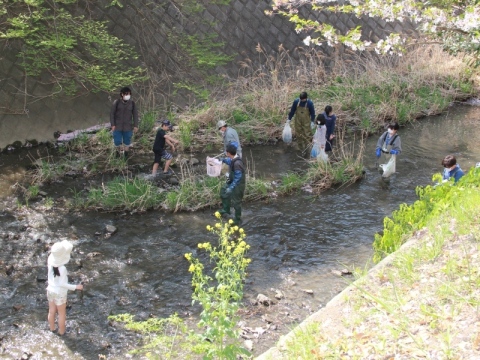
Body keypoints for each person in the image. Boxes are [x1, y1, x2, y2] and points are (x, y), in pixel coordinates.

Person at [47, 240, 83, 336]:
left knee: (51, 311)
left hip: (50, 290)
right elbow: (62, 284)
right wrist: (76, 287)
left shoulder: (50, 263)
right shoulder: (62, 269)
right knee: (61, 313)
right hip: (59, 293)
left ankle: (52, 328)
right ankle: (61, 332)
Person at [219, 144, 246, 225]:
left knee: (236, 202)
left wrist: (231, 187)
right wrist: (222, 160)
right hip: (232, 181)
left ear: (228, 153)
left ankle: (237, 219)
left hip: (238, 185)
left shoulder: (237, 163)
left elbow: (238, 177)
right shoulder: (233, 159)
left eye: (226, 152)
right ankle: (226, 209)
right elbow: (229, 161)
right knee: (223, 191)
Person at [110, 87, 139, 159]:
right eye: (126, 94)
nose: (128, 95)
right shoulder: (116, 103)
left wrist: (136, 125)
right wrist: (113, 124)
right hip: (117, 126)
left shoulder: (132, 103)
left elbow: (135, 114)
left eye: (129, 94)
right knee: (117, 141)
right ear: (122, 94)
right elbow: (112, 114)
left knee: (127, 142)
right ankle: (117, 155)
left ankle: (125, 157)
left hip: (128, 127)